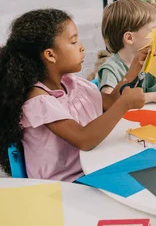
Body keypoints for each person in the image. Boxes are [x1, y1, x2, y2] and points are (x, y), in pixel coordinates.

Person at [0, 9, 145, 181]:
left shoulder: (71, 84)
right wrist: (125, 104)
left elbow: (110, 102)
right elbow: (84, 139)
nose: (82, 47)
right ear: (50, 55)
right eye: (74, 42)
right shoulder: (38, 100)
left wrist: (135, 66)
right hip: (66, 184)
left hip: (91, 168)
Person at [98, 0, 156, 104]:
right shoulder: (111, 69)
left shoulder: (154, 60)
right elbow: (109, 102)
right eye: (152, 31)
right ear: (129, 38)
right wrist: (151, 97)